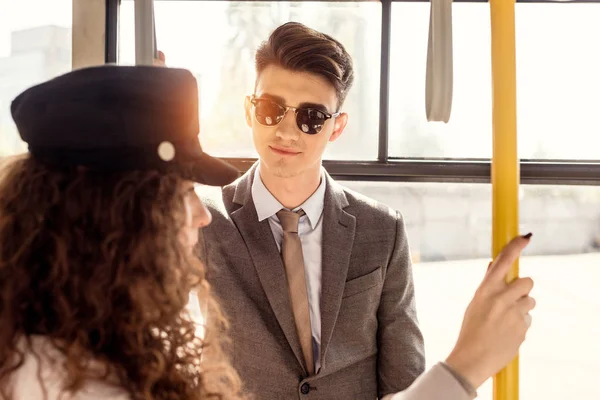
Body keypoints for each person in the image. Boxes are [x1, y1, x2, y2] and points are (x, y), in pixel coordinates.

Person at [197, 22, 426, 399]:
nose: (287, 131)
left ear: (336, 128)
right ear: (249, 111)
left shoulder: (382, 230)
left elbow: (405, 377)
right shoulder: (204, 221)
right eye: (271, 108)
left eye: (311, 118)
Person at [0, 65, 244, 399]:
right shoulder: (94, 387)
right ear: (125, 218)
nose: (203, 216)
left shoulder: (49, 338)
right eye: (185, 192)